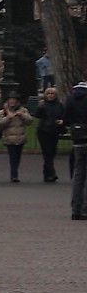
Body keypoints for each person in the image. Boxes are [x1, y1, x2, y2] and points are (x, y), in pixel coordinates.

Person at [0, 89, 34, 181]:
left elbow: (30, 121)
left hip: (20, 137)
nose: (12, 102)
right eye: (10, 100)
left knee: (17, 157)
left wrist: (22, 115)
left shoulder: (23, 110)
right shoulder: (3, 112)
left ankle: (15, 171)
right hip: (9, 138)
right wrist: (8, 118)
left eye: (14, 100)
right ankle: (14, 174)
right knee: (13, 157)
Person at [34, 82, 64, 186]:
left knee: (52, 152)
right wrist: (39, 107)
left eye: (52, 94)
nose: (50, 96)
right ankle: (52, 173)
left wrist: (61, 121)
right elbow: (37, 115)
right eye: (48, 94)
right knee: (47, 152)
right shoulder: (43, 105)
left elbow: (62, 116)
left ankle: (47, 173)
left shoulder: (59, 105)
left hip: (54, 131)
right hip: (43, 131)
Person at [66, 81, 87, 218]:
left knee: (78, 172)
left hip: (78, 136)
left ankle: (76, 207)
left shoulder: (72, 96)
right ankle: (85, 207)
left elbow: (67, 117)